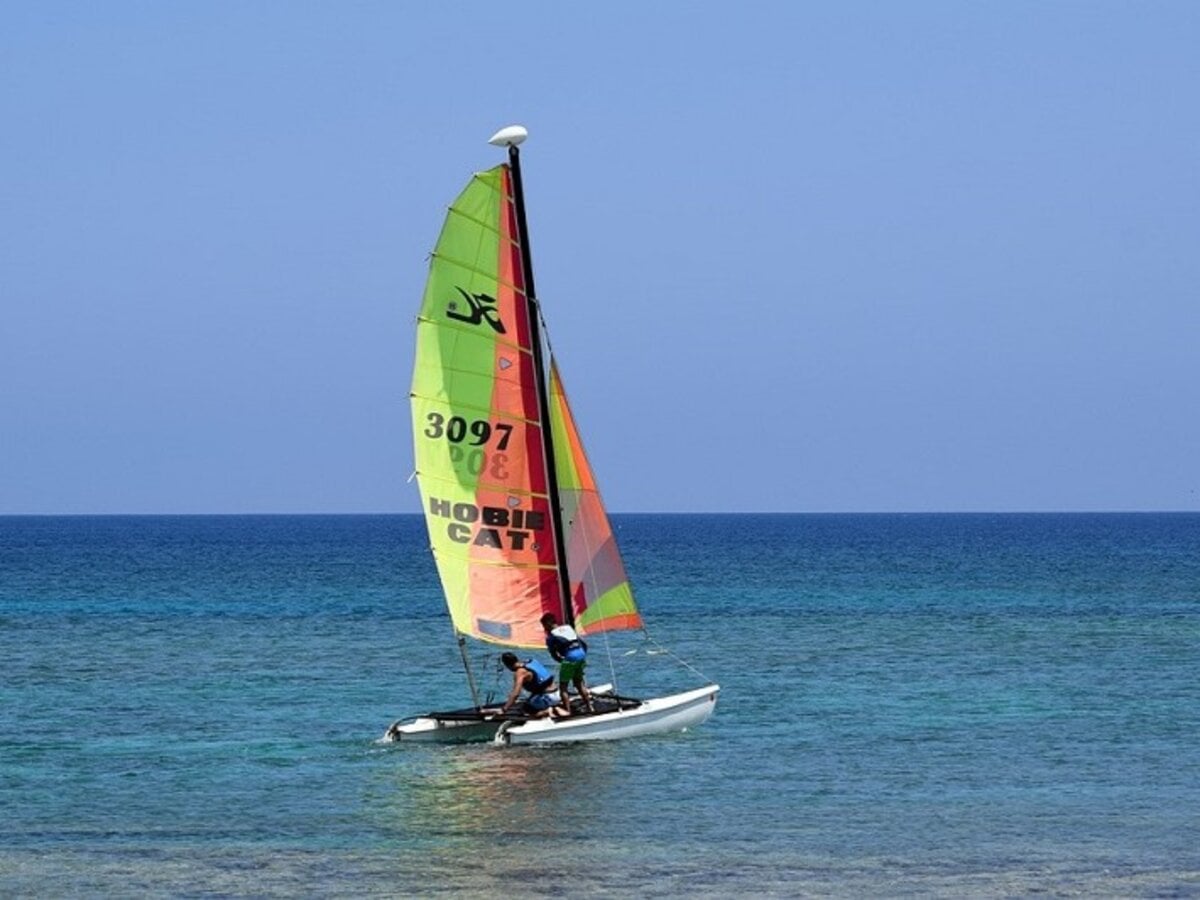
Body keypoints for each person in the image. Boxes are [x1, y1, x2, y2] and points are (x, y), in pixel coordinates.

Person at [541, 612, 594, 713]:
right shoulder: (568, 628)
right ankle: (589, 707)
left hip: (570, 657)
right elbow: (584, 644)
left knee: (563, 687)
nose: (544, 629)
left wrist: (562, 661)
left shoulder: (551, 637)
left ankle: (567, 712)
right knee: (579, 683)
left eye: (544, 625)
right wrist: (580, 656)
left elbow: (554, 655)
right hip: (581, 654)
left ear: (548, 623)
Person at [490, 652, 564, 718]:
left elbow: (515, 694)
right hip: (558, 693)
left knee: (526, 711)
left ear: (507, 664)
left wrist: (504, 709)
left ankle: (548, 711)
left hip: (548, 698)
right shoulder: (531, 661)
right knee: (530, 701)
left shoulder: (520, 672)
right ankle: (553, 705)